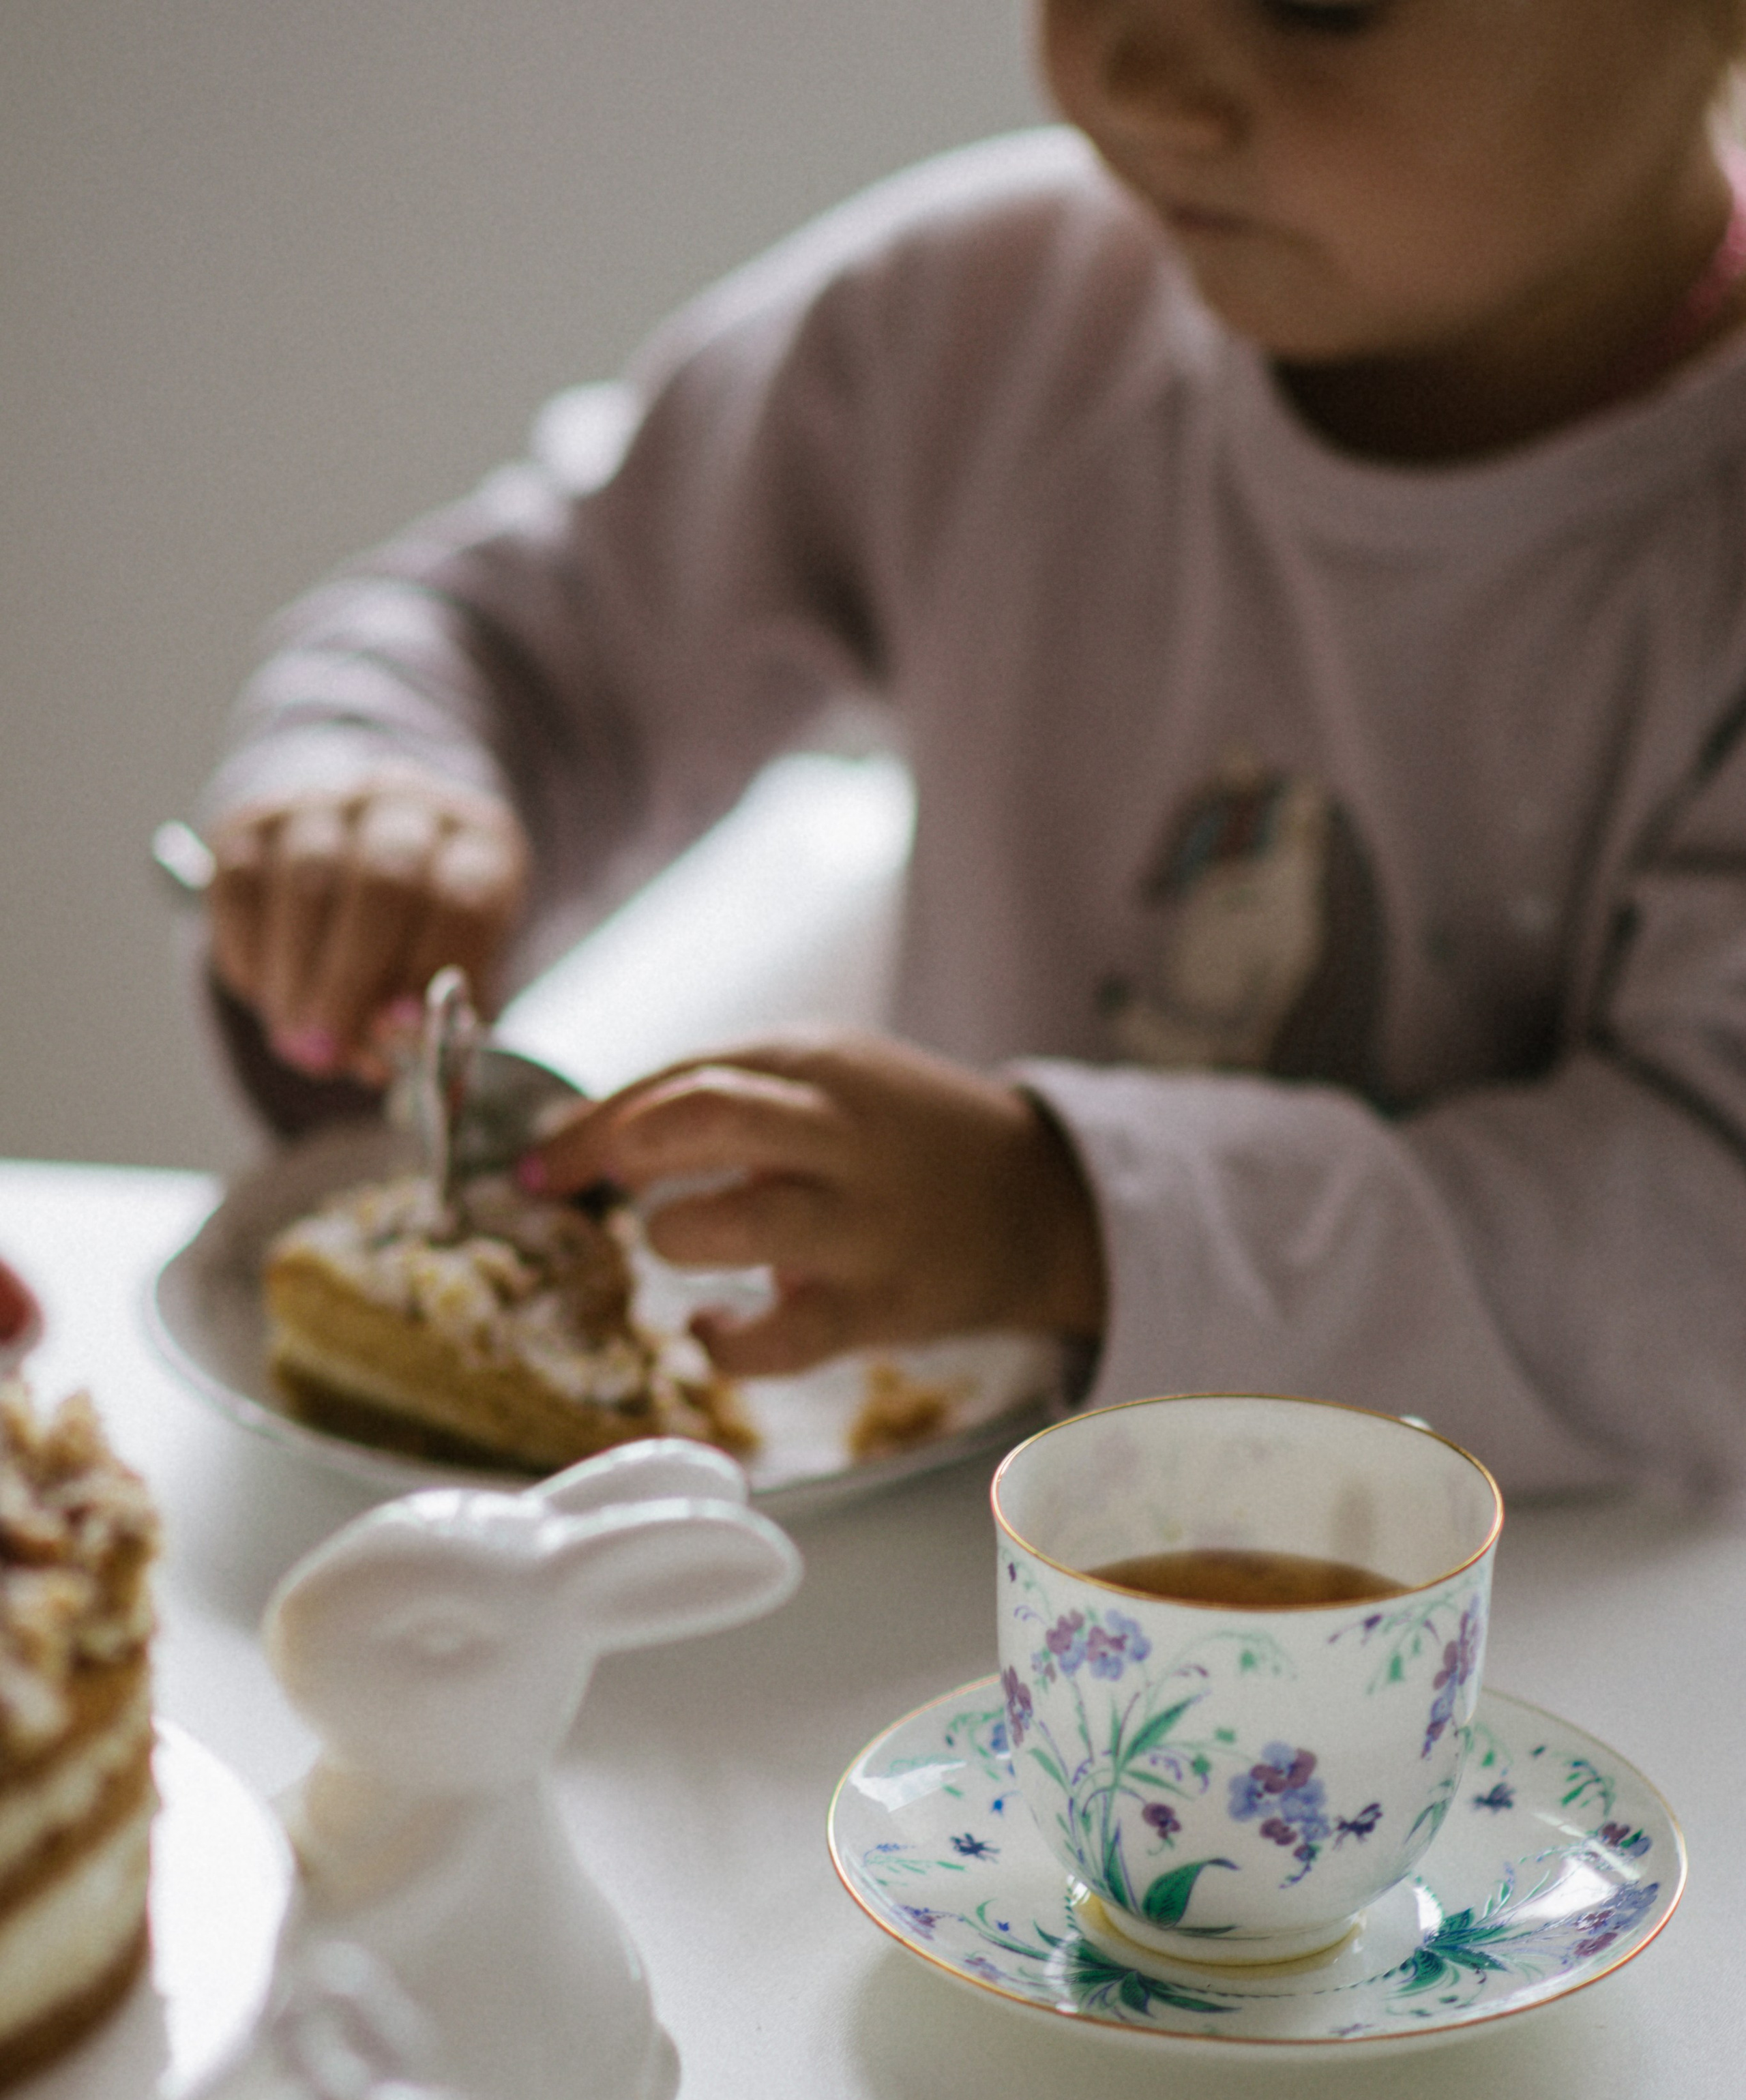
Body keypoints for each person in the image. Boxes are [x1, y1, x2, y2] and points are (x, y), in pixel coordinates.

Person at [198, 0, 1746, 1508]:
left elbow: (1700, 1245)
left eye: (1318, 7)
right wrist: (379, 792)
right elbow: (514, 630)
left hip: (1566, 1663)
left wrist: (1068, 1219)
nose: (1139, 71)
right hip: (950, 1625)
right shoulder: (981, 322)